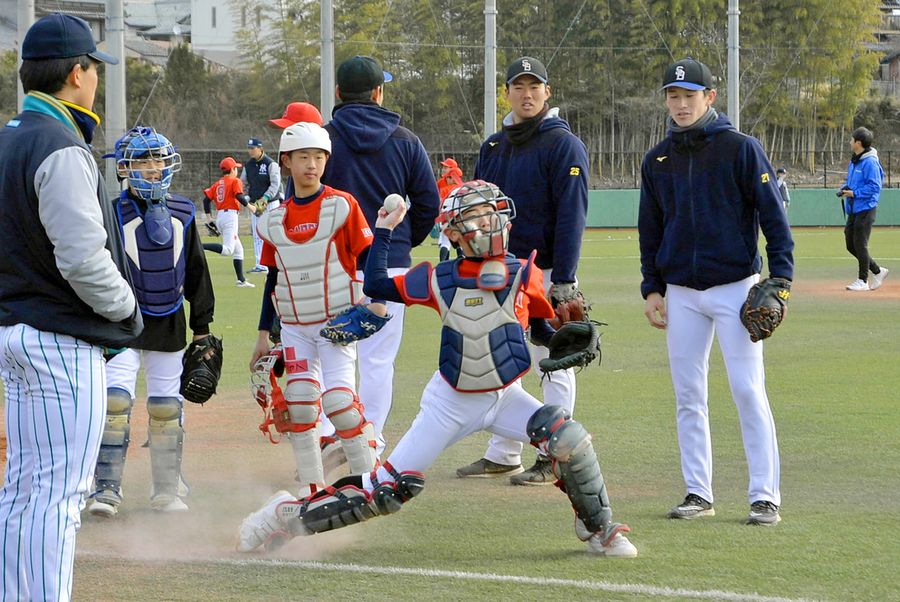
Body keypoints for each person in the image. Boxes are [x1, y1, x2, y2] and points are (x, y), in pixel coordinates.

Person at [236, 181, 637, 558]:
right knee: (388, 492)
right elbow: (376, 285)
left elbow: (536, 330)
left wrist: (560, 340)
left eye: (491, 214)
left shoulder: (523, 273)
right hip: (451, 402)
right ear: (456, 233)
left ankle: (599, 529)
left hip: (505, 396)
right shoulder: (438, 279)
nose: (489, 223)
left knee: (566, 435)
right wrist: (384, 230)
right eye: (476, 218)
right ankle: (286, 515)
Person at [0, 13, 142, 601]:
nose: (95, 80)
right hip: (60, 341)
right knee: (58, 497)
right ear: (77, 73)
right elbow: (82, 259)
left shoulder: (9, 136)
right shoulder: (58, 143)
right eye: (93, 69)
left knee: (23, 491)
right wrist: (127, 309)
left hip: (16, 333)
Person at [639, 57, 794, 526]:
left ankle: (765, 495)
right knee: (689, 395)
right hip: (681, 292)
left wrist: (780, 279)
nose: (681, 104)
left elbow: (774, 218)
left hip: (736, 289)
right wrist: (652, 287)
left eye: (690, 95)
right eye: (673, 96)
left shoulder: (740, 148)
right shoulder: (657, 159)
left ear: (710, 98)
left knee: (748, 390)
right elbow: (651, 229)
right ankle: (697, 492)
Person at [458, 56, 589, 486]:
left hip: (546, 271)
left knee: (553, 363)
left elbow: (572, 215)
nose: (527, 93)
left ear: (547, 93)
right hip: (500, 272)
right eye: (519, 86)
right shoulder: (494, 145)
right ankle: (503, 452)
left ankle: (558, 453)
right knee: (501, 362)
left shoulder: (562, 144)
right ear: (508, 91)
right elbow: (477, 209)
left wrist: (565, 280)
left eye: (535, 86)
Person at [248, 121, 383, 497]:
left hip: (336, 322)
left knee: (340, 403)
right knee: (301, 405)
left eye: (319, 156)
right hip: (293, 327)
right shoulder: (272, 220)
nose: (312, 164)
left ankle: (369, 483)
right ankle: (312, 489)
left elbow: (371, 257)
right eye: (303, 156)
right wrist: (263, 334)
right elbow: (273, 279)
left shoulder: (342, 206)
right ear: (287, 162)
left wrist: (376, 300)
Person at [87, 127, 215, 517]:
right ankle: (105, 489)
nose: (152, 169)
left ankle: (165, 489)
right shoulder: (109, 212)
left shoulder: (182, 213)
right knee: (114, 403)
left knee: (165, 406)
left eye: (158, 160)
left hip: (169, 325)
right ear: (124, 168)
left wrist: (203, 327)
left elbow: (196, 271)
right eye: (142, 161)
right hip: (122, 325)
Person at [321, 55, 441, 457]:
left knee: (331, 352)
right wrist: (402, 240)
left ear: (338, 93)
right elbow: (428, 202)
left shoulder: (322, 140)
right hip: (388, 264)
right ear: (378, 93)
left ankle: (329, 433)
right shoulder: (405, 139)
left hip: (331, 265)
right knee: (377, 359)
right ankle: (370, 436)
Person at [839, 127, 889, 292]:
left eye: (852, 139)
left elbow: (875, 187)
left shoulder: (870, 162)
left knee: (860, 243)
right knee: (850, 244)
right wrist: (847, 188)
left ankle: (863, 280)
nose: (850, 141)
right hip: (854, 208)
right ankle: (877, 271)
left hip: (866, 208)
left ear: (858, 143)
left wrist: (855, 193)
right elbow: (856, 182)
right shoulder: (855, 160)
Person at [202, 156, 256, 287]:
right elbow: (238, 195)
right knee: (228, 250)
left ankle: (241, 280)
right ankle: (200, 246)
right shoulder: (234, 181)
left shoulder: (217, 183)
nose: (236, 170)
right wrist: (251, 207)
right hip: (230, 217)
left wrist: (209, 218)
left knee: (239, 250)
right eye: (235, 168)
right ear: (232, 169)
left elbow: (205, 200)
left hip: (221, 216)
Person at [242, 137, 282, 274]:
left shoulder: (270, 163)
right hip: (255, 204)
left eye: (253, 148)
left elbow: (275, 184)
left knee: (274, 232)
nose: (251, 151)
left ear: (260, 148)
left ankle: (279, 262)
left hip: (271, 203)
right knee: (258, 233)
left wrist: (266, 197)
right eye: (249, 148)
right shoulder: (248, 165)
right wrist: (246, 197)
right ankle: (260, 264)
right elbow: (243, 183)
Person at [436, 158, 464, 262]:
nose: (443, 169)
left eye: (446, 167)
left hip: (448, 216)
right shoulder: (441, 183)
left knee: (446, 241)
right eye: (443, 167)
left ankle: (443, 264)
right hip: (454, 216)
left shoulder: (457, 187)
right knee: (458, 240)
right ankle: (460, 261)